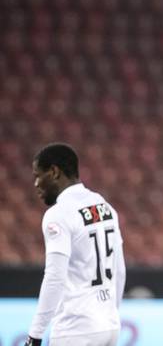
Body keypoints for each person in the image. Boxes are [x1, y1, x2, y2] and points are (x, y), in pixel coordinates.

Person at [25, 143, 126, 346]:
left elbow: (55, 277)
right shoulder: (105, 206)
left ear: (54, 172)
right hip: (109, 326)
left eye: (38, 175)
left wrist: (35, 334)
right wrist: (110, 313)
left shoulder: (59, 214)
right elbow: (119, 269)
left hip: (75, 329)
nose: (36, 184)